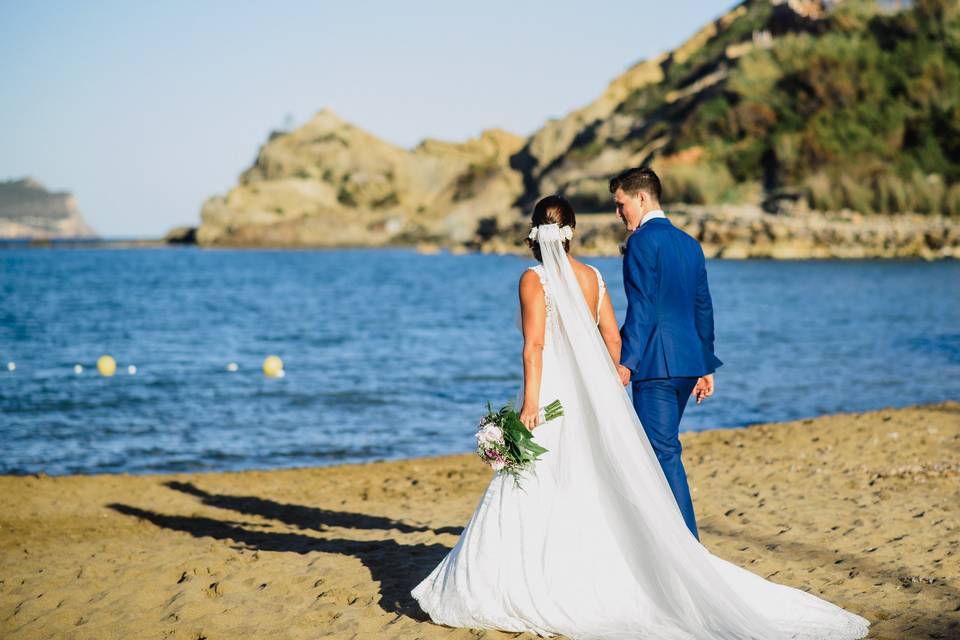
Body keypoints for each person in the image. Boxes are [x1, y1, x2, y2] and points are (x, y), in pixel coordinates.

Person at [411, 195, 869, 639]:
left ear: (534, 233)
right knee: (590, 475)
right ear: (571, 233)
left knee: (534, 478)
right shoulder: (593, 277)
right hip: (590, 396)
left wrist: (531, 405)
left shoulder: (534, 279)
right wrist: (607, 384)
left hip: (549, 395)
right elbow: (612, 337)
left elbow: (533, 348)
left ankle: (537, 573)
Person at [612, 166, 719, 540]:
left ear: (641, 198)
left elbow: (640, 307)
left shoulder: (642, 242)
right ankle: (663, 538)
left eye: (621, 204)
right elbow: (702, 307)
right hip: (687, 363)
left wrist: (627, 362)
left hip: (656, 365)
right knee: (662, 449)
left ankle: (687, 545)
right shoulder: (690, 243)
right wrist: (705, 365)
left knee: (661, 452)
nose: (618, 213)